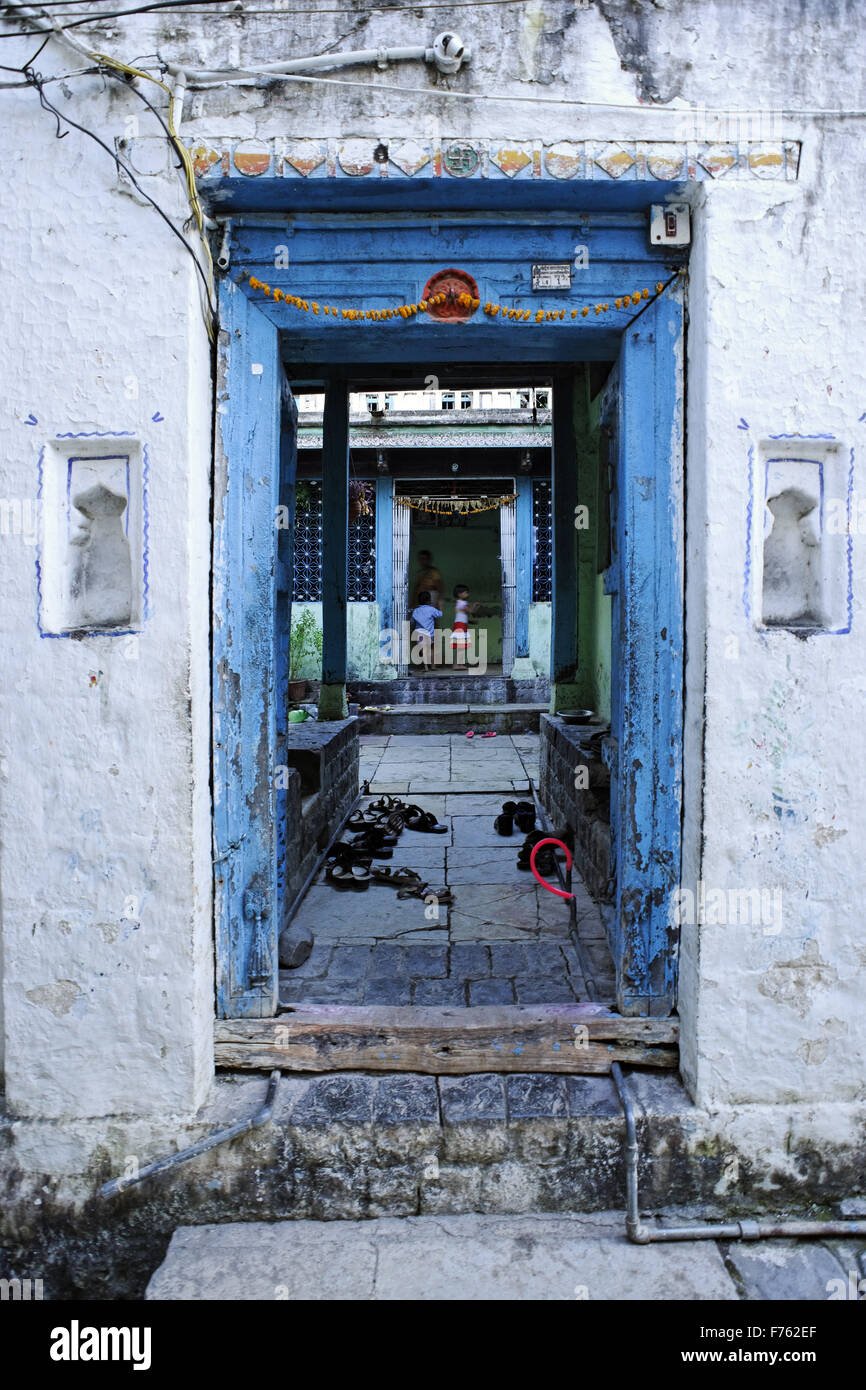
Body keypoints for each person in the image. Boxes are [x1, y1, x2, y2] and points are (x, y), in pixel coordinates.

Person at [410, 590, 442, 673]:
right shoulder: (431, 609)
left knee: (423, 650)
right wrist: (440, 606)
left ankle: (426, 667)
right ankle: (433, 666)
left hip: (419, 633)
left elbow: (412, 622)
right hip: (429, 634)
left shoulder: (416, 611)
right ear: (429, 600)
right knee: (431, 648)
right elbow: (440, 614)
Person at [450, 583, 478, 670]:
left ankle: (458, 664)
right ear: (460, 594)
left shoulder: (460, 603)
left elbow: (463, 616)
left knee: (461, 646)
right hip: (460, 626)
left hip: (461, 625)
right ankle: (457, 665)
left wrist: (470, 621)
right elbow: (470, 612)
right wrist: (474, 606)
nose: (467, 594)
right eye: (466, 592)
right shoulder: (461, 603)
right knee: (461, 646)